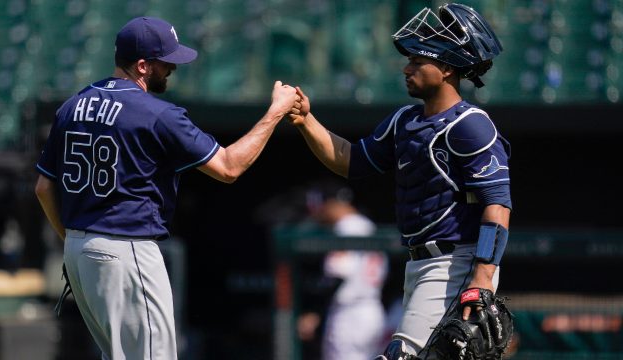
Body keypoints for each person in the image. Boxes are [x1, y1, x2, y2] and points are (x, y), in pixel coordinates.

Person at [33, 16, 298, 360]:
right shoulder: (157, 114)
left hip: (80, 250)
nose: (172, 68)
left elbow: (43, 187)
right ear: (142, 66)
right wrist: (275, 111)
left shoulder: (73, 106)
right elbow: (229, 167)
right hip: (126, 249)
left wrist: (73, 240)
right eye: (165, 62)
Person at [288, 3, 511, 359]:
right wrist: (306, 120)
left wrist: (482, 279)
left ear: (447, 68)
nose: (406, 69)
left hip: (456, 262)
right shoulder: (404, 120)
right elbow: (350, 161)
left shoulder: (470, 124)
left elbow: (497, 206)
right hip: (419, 264)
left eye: (417, 62)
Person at [297, 179, 388, 360]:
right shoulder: (367, 225)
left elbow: (338, 274)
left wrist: (316, 312)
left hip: (350, 314)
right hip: (372, 309)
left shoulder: (346, 227)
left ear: (332, 203)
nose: (319, 213)